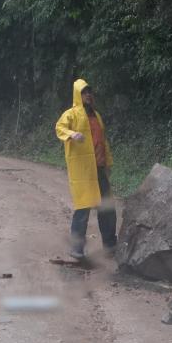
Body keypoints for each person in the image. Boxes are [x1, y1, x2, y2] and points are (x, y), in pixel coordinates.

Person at [55, 78, 117, 258]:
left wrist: (108, 163)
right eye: (84, 92)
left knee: (107, 207)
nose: (88, 95)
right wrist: (71, 134)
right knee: (83, 208)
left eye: (89, 92)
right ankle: (76, 249)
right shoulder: (71, 114)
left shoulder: (96, 116)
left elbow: (103, 142)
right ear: (77, 94)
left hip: (99, 168)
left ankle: (110, 246)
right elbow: (59, 128)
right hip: (83, 172)